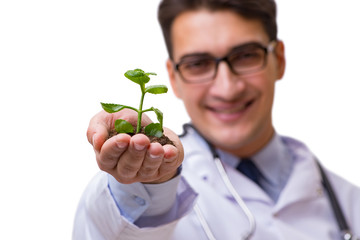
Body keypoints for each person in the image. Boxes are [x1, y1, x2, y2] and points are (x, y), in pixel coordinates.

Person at [73, 0, 360, 239]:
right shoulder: (154, 181)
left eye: (246, 56)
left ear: (279, 60)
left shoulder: (351, 204)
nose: (227, 88)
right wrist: (150, 179)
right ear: (174, 78)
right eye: (198, 64)